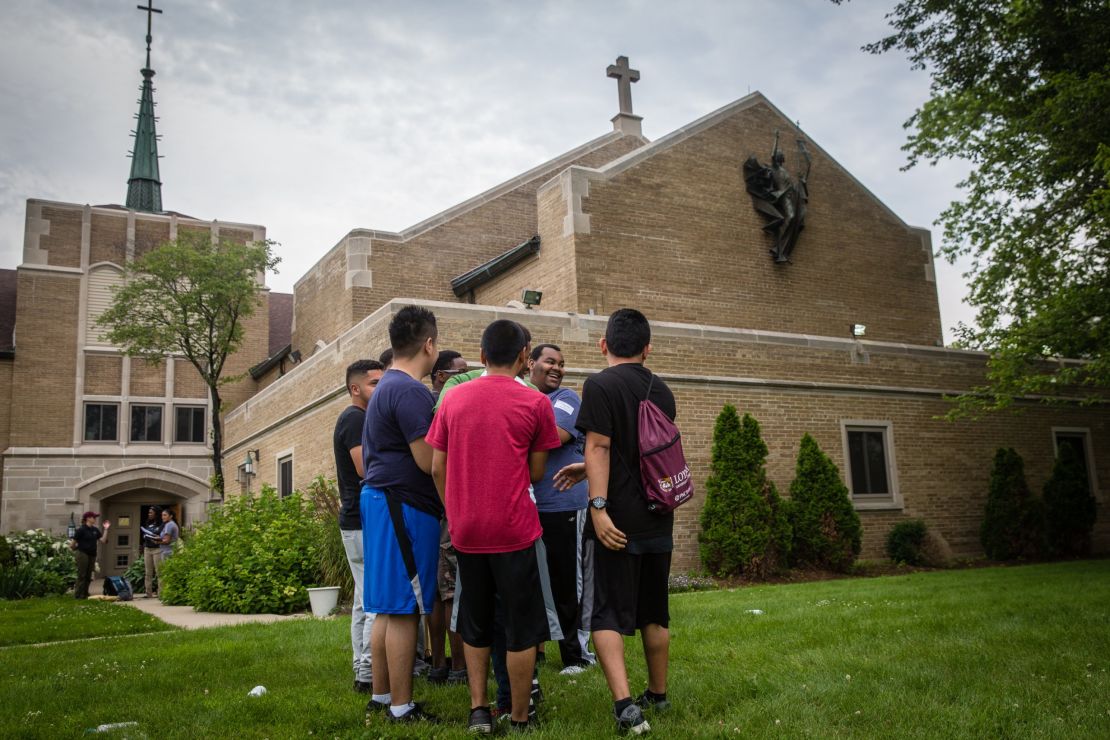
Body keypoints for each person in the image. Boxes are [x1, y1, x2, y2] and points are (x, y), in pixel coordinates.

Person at [427, 319, 563, 733]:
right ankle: (520, 717)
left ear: (482, 356)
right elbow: (537, 471)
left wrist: (457, 508)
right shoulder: (537, 403)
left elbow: (437, 467)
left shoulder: (453, 399)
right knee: (521, 626)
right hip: (514, 528)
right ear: (525, 357)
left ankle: (479, 711)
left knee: (475, 620)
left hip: (467, 530)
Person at [576, 308, 677, 735]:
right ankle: (657, 694)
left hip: (616, 519)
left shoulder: (599, 385)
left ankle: (625, 707)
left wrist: (598, 507)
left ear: (604, 345)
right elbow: (644, 449)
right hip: (659, 513)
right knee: (655, 612)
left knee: (607, 614)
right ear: (647, 348)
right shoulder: (663, 390)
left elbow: (599, 446)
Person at [360, 305, 442, 724]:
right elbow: (428, 460)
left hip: (382, 500)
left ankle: (381, 695)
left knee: (389, 609)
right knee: (407, 607)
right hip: (403, 504)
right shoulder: (410, 391)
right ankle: (401, 706)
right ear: (428, 344)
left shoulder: (386, 385)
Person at [527, 343, 595, 675]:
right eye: (550, 362)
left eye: (561, 363)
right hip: (532, 506)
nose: (558, 368)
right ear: (530, 364)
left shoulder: (566, 398)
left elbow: (553, 436)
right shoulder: (526, 398)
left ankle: (576, 654)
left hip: (565, 504)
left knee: (570, 583)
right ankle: (536, 650)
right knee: (537, 583)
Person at [335, 359, 386, 693]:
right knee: (374, 599)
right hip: (361, 521)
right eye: (373, 383)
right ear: (356, 388)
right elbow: (367, 469)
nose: (380, 388)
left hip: (356, 521)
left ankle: (361, 669)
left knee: (361, 600)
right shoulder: (356, 419)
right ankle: (369, 674)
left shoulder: (357, 418)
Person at [427, 349, 469, 686]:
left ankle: (441, 664)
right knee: (451, 590)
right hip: (448, 510)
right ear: (442, 376)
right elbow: (437, 466)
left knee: (441, 590)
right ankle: (455, 668)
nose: (467, 377)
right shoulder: (445, 407)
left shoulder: (439, 404)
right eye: (461, 372)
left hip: (435, 511)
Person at [70, 511, 109, 599]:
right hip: (82, 553)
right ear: (87, 518)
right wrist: (77, 550)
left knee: (88, 575)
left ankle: (85, 593)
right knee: (82, 574)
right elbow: (72, 544)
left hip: (92, 554)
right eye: (93, 517)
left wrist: (106, 529)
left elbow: (103, 540)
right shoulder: (81, 530)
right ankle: (78, 595)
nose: (95, 519)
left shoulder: (95, 530)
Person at [139, 506, 163, 598]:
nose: (149, 514)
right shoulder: (148, 523)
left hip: (157, 549)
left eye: (151, 513)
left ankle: (161, 593)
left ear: (156, 514)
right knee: (148, 572)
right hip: (147, 549)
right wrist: (145, 536)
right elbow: (145, 533)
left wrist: (154, 536)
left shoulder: (161, 524)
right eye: (149, 513)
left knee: (159, 572)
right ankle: (148, 593)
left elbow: (162, 536)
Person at [155, 509, 179, 595]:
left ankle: (167, 593)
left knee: (167, 574)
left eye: (165, 515)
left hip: (167, 552)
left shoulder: (169, 525)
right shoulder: (170, 524)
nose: (163, 517)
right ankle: (168, 593)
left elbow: (167, 541)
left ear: (171, 516)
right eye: (162, 515)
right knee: (169, 573)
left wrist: (156, 541)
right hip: (169, 551)